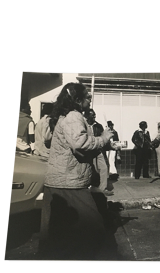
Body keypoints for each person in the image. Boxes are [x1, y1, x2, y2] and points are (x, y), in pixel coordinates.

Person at [38, 83, 115, 261]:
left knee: (60, 235)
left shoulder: (65, 116)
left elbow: (75, 148)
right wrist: (103, 138)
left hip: (60, 182)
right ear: (78, 99)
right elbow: (79, 144)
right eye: (88, 96)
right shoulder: (74, 116)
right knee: (94, 228)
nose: (90, 99)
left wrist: (102, 143)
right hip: (69, 183)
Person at [83, 108, 114, 197]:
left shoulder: (98, 126)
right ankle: (91, 189)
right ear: (87, 116)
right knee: (92, 170)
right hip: (88, 151)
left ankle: (102, 189)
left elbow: (103, 139)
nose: (94, 117)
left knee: (103, 168)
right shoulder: (83, 126)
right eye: (92, 115)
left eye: (95, 115)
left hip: (98, 150)